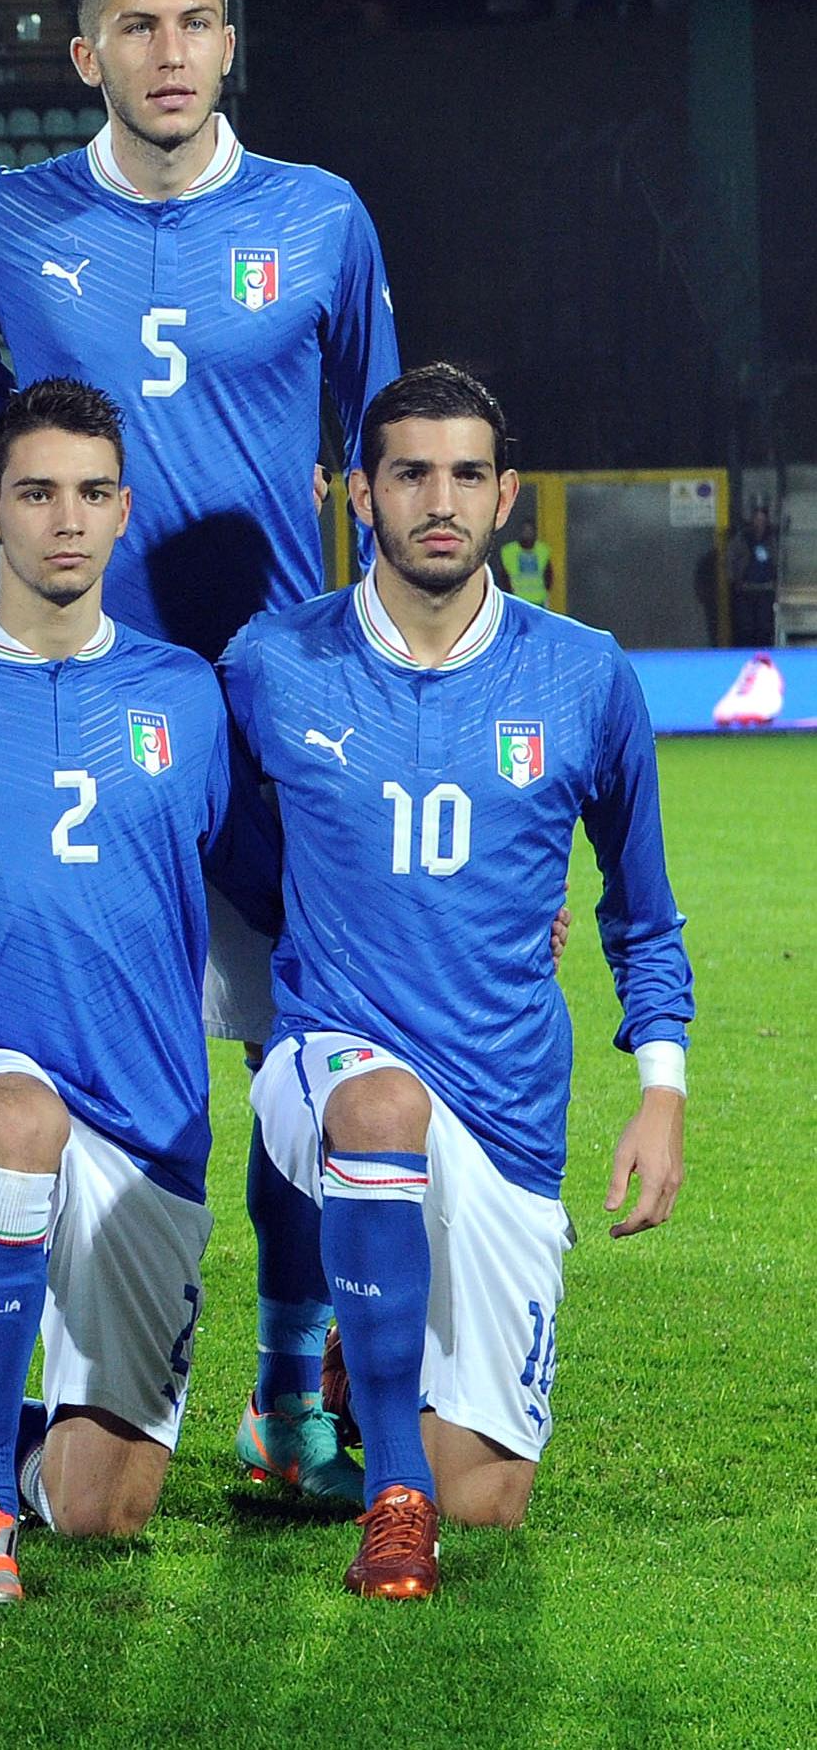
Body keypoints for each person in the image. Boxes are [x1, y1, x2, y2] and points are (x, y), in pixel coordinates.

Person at [0, 0, 403, 1501]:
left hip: (272, 709)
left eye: (194, 21)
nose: (167, 51)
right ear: (84, 54)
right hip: (60, 702)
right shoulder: (1, 218)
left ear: (227, 43)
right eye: (133, 26)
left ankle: (282, 1388)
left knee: (293, 1047)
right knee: (7, 1049)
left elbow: (384, 438)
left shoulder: (318, 219)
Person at [226, 363, 692, 1598]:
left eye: (468, 473)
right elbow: (212, 843)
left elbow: (641, 913)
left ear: (509, 494)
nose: (441, 498)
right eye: (411, 471)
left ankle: (356, 1364)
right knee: (380, 1114)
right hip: (336, 1067)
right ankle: (387, 1496)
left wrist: (662, 1090)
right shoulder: (273, 664)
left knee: (487, 1499)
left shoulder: (585, 674)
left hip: (508, 1106)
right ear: (359, 494)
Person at [0, 379, 279, 1602]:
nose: (66, 520)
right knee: (17, 1120)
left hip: (149, 1121)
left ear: (125, 510)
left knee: (106, 1508)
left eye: (92, 493)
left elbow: (268, 878)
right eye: (37, 492)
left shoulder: (185, 695)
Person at [730, 503, 778, 648]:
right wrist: (734, 580)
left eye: (762, 520)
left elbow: (779, 560)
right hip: (745, 589)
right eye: (757, 520)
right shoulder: (742, 539)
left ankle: (763, 652)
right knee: (746, 627)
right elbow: (730, 559)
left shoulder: (772, 540)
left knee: (764, 626)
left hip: (766, 589)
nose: (759, 524)